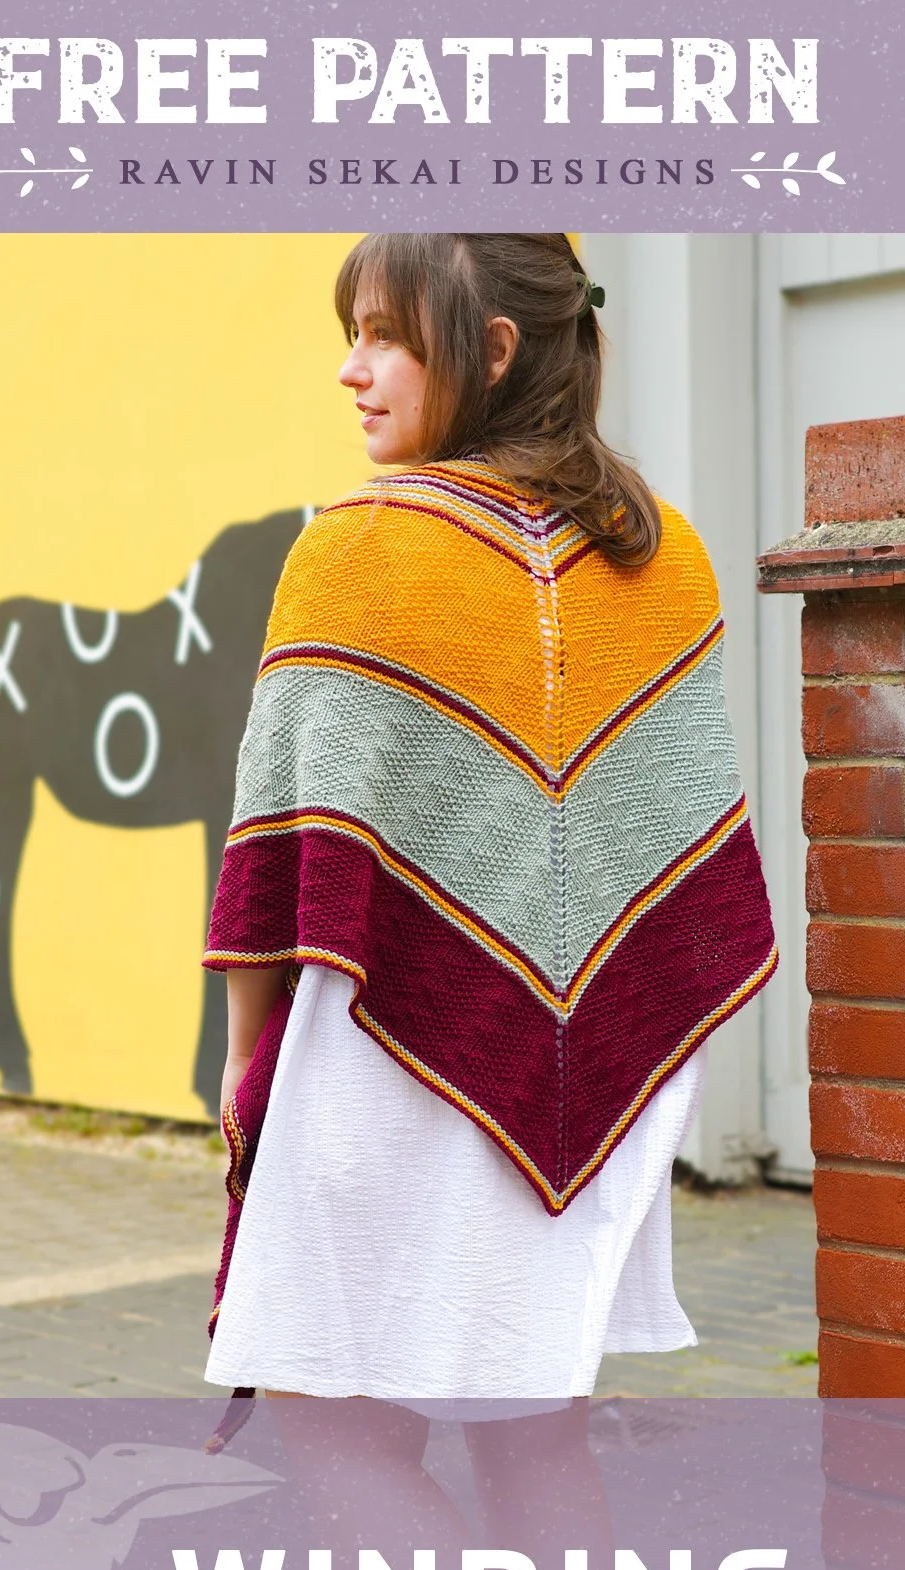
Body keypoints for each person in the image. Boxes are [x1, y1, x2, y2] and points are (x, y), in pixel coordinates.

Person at [200, 232, 777, 1407]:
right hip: (608, 1066)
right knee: (529, 1437)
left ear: (495, 348)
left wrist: (244, 1051)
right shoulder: (664, 555)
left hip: (385, 1051)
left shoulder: (353, 550)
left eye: (384, 338)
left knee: (332, 1429)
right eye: (351, 336)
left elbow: (276, 840)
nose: (351, 369)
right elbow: (667, 836)